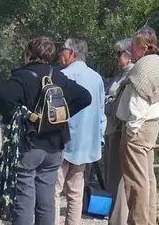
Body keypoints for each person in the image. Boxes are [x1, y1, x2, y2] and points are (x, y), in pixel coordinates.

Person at [0, 37, 93, 225]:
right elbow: (84, 97)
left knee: (24, 199)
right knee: (46, 200)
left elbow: (2, 99)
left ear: (29, 55)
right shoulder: (57, 75)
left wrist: (24, 116)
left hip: (29, 144)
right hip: (55, 146)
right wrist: (59, 117)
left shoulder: (22, 77)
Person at [112, 28, 159, 225]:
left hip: (138, 129)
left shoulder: (142, 68)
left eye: (134, 46)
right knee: (148, 179)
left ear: (144, 48)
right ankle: (148, 219)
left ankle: (139, 221)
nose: (131, 49)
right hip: (151, 126)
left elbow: (138, 103)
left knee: (136, 182)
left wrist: (131, 130)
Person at [54, 39, 105, 225]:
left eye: (63, 50)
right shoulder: (97, 78)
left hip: (63, 142)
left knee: (53, 190)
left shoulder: (62, 76)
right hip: (86, 143)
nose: (60, 54)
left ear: (72, 52)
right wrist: (99, 139)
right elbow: (101, 112)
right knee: (75, 193)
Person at [99, 39, 135, 225]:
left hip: (119, 131)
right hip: (112, 131)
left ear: (128, 54)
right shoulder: (120, 75)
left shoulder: (130, 76)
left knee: (117, 178)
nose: (116, 58)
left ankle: (118, 219)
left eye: (118, 54)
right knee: (112, 176)